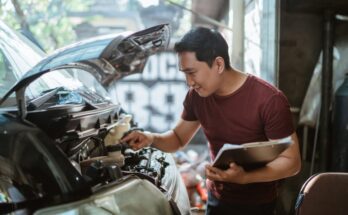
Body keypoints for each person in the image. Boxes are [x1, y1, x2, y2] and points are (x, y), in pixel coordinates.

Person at [121, 27, 301, 215]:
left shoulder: (269, 100)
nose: (189, 82)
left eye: (192, 72)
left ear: (219, 64)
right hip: (216, 199)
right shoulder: (196, 97)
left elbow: (291, 161)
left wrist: (245, 177)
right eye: (184, 73)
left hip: (259, 205)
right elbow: (177, 138)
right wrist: (150, 138)